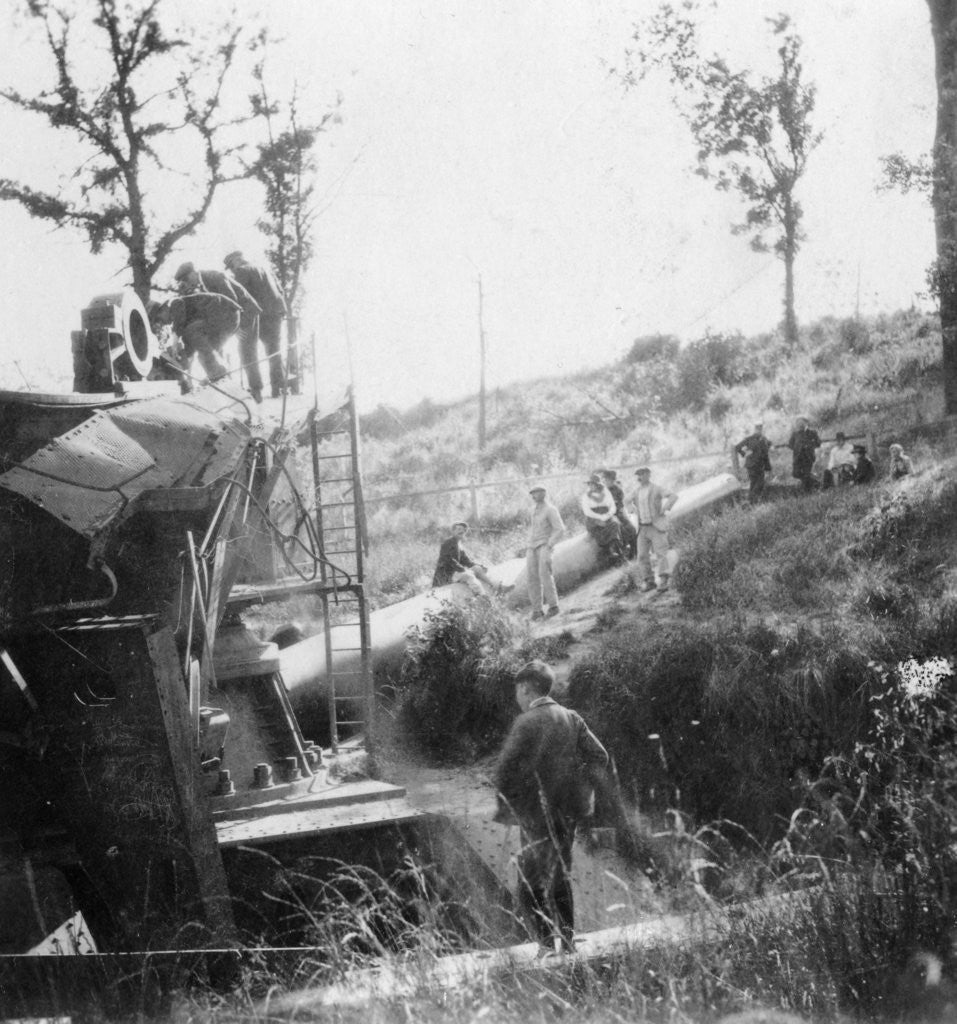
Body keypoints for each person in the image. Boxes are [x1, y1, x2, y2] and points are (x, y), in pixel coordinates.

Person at [493, 659, 609, 954]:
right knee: (560, 873)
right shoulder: (571, 717)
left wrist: (514, 808)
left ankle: (545, 943)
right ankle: (568, 943)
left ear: (525, 689)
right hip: (566, 812)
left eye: (518, 692)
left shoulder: (526, 722)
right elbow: (600, 756)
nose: (517, 698)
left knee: (530, 878)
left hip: (535, 815)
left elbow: (504, 770)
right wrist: (577, 788)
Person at [174, 262, 264, 401]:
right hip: (231, 315)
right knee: (215, 350)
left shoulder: (215, 276)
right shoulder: (202, 283)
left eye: (186, 279)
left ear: (193, 272)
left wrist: (237, 327)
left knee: (247, 353)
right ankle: (227, 386)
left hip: (246, 313)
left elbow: (232, 299)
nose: (187, 283)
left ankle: (256, 391)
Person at [224, 251, 290, 399]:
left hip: (258, 315)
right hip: (276, 313)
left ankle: (256, 388)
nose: (232, 270)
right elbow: (280, 291)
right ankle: (278, 387)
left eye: (231, 266)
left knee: (246, 349)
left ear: (236, 260)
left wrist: (235, 322)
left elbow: (238, 296)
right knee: (274, 350)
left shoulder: (242, 271)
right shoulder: (264, 268)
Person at [154, 289, 243, 386]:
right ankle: (219, 377)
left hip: (225, 312)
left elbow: (179, 322)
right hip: (227, 318)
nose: (163, 323)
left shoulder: (174, 302)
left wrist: (175, 343)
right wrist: (180, 358)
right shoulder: (186, 319)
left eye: (160, 319)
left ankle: (217, 372)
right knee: (203, 351)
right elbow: (190, 344)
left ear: (163, 308)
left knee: (191, 331)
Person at [631, 466, 677, 593]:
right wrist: (631, 509)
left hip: (656, 526)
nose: (639, 477)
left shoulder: (656, 489)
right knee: (641, 556)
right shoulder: (636, 491)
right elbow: (626, 500)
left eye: (642, 474)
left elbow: (673, 496)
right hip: (642, 528)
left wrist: (665, 508)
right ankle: (649, 581)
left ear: (648, 475)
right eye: (638, 475)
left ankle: (664, 581)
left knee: (661, 553)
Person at [525, 485, 564, 620]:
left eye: (536, 493)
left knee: (544, 574)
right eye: (533, 494)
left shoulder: (551, 509)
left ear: (543, 494)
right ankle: (537, 610)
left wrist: (550, 544)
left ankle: (553, 606)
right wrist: (528, 543)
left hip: (544, 545)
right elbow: (532, 528)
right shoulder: (532, 510)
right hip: (531, 546)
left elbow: (559, 529)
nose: (534, 496)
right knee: (531, 577)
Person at [432, 521, 501, 597]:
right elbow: (449, 560)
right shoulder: (447, 543)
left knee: (477, 569)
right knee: (469, 575)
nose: (461, 531)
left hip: (455, 572)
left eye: (463, 530)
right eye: (458, 529)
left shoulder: (459, 545)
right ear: (453, 531)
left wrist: (479, 566)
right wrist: (463, 570)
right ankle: (482, 595)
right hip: (446, 575)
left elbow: (467, 561)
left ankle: (495, 587)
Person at [580, 473, 625, 566]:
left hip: (606, 515)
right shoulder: (586, 496)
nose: (592, 486)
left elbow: (612, 506)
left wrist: (607, 516)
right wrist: (599, 518)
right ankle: (605, 552)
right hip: (593, 517)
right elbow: (587, 511)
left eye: (593, 484)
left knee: (615, 524)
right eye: (590, 484)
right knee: (597, 529)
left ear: (598, 484)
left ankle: (616, 550)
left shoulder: (605, 492)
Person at [600, 469, 637, 559]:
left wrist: (617, 508)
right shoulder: (603, 491)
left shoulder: (617, 489)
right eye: (607, 480)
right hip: (608, 515)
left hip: (618, 512)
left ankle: (634, 550)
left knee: (630, 528)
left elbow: (621, 503)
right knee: (616, 529)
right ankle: (620, 553)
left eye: (611, 480)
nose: (609, 482)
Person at [734, 422, 773, 501]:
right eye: (758, 429)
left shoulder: (760, 439)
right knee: (759, 484)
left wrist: (744, 454)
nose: (759, 431)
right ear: (756, 429)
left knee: (754, 483)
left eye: (760, 429)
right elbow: (737, 447)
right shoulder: (755, 439)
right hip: (755, 465)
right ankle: (751, 501)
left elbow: (768, 446)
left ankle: (751, 501)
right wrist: (744, 454)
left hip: (756, 465)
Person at [787, 416, 821, 492]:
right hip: (798, 458)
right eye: (799, 423)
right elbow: (790, 445)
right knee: (796, 473)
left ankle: (806, 491)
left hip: (808, 457)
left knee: (806, 474)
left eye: (802, 423)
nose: (800, 425)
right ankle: (816, 482)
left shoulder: (812, 432)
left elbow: (818, 443)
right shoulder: (795, 433)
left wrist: (809, 446)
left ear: (806, 423)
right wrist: (797, 449)